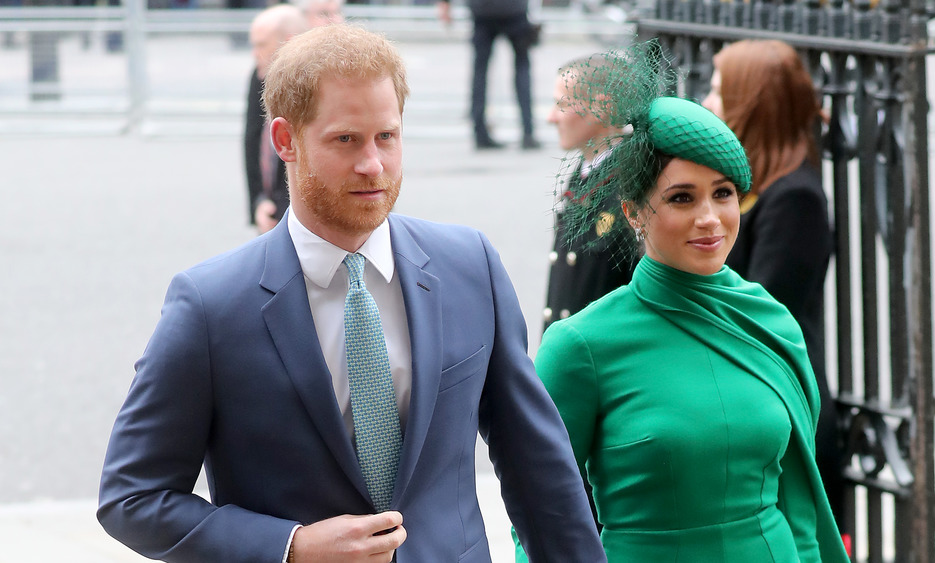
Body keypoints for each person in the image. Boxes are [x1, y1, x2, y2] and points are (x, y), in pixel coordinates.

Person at [98, 24, 607, 563]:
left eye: (386, 136)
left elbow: (539, 467)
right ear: (284, 141)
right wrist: (290, 547)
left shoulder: (469, 266)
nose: (373, 164)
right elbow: (132, 496)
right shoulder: (209, 305)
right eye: (346, 139)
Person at [516, 40, 849, 562]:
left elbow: (801, 506)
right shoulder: (581, 345)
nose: (710, 218)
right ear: (633, 212)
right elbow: (542, 516)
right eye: (681, 198)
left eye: (722, 193)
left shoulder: (770, 320)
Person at [702, 38, 847, 539]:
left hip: (780, 412)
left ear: (752, 102)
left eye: (720, 91)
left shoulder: (796, 198)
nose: (707, 103)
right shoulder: (750, 186)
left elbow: (760, 313)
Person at [542, 55, 637, 333]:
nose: (551, 117)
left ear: (603, 108)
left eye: (561, 104)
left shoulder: (628, 185)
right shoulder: (585, 172)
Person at [436, 0, 540, 150]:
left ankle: (480, 132)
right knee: (522, 67)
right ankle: (528, 132)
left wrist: (444, 4)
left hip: (482, 10)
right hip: (514, 10)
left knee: (480, 72)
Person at [244, 4, 308, 234]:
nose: (254, 53)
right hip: (270, 210)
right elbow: (252, 142)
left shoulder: (316, 85)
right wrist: (258, 202)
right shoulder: (259, 74)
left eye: (261, 45)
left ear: (288, 42)